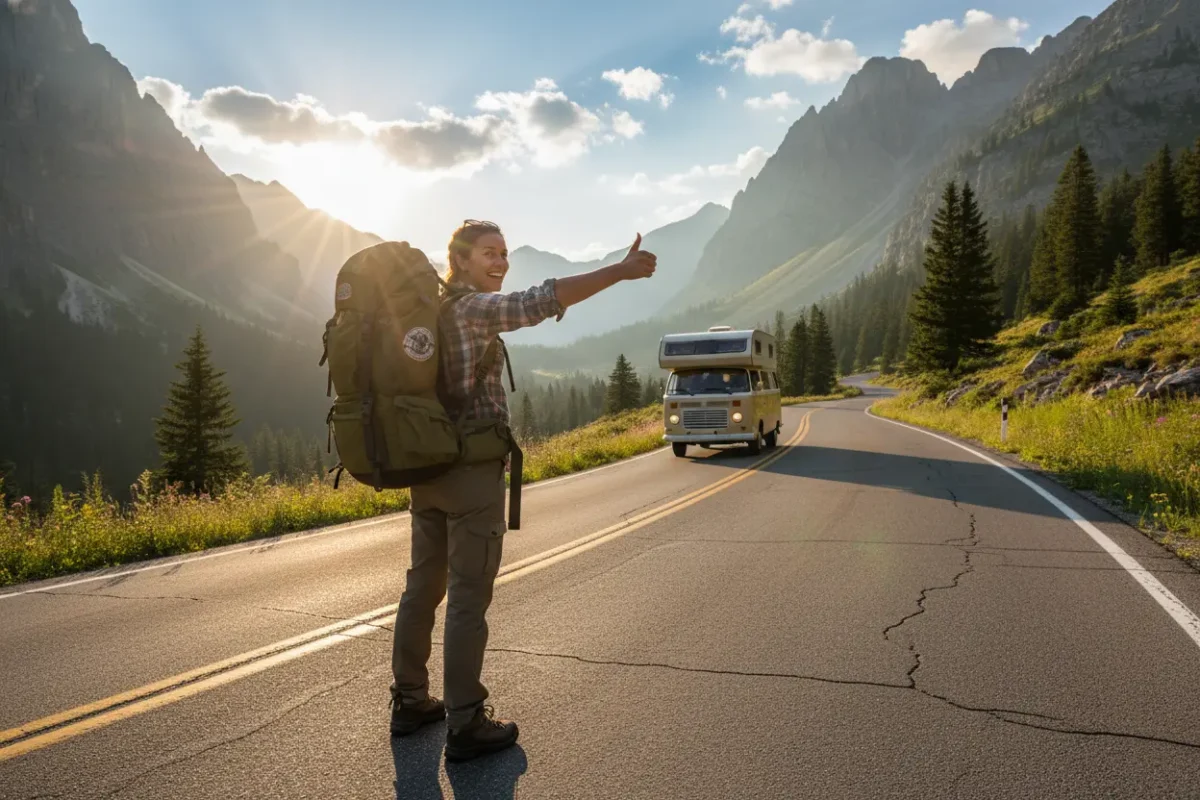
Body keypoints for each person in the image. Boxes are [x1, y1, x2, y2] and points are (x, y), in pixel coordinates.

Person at [390, 219, 656, 762]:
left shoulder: (430, 315)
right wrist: (621, 272)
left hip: (425, 473)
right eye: (490, 253)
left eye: (505, 253)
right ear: (459, 259)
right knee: (468, 597)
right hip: (470, 475)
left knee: (422, 588)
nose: (502, 262)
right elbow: (542, 300)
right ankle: (465, 723)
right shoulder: (471, 311)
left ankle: (410, 702)